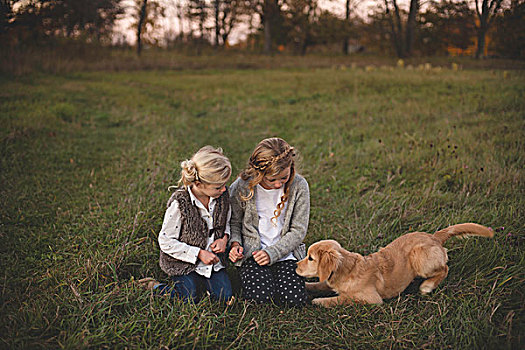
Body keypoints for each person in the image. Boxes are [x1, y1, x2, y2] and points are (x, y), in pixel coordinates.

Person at [142, 146, 233, 304]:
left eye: (225, 184)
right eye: (218, 187)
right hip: (183, 262)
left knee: (223, 298)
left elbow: (226, 223)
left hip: (213, 261)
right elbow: (165, 240)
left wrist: (224, 238)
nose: (224, 189)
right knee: (188, 298)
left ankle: (203, 284)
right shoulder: (180, 204)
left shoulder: (222, 197)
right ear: (198, 183)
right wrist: (198, 253)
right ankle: (155, 287)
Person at [228, 137, 309, 307]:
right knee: (261, 297)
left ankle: (278, 279)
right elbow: (234, 222)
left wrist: (273, 253)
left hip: (285, 253)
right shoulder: (242, 186)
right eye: (271, 180)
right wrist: (235, 244)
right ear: (258, 174)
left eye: (284, 177)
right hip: (254, 254)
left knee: (294, 300)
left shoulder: (299, 186)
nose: (278, 183)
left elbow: (298, 230)